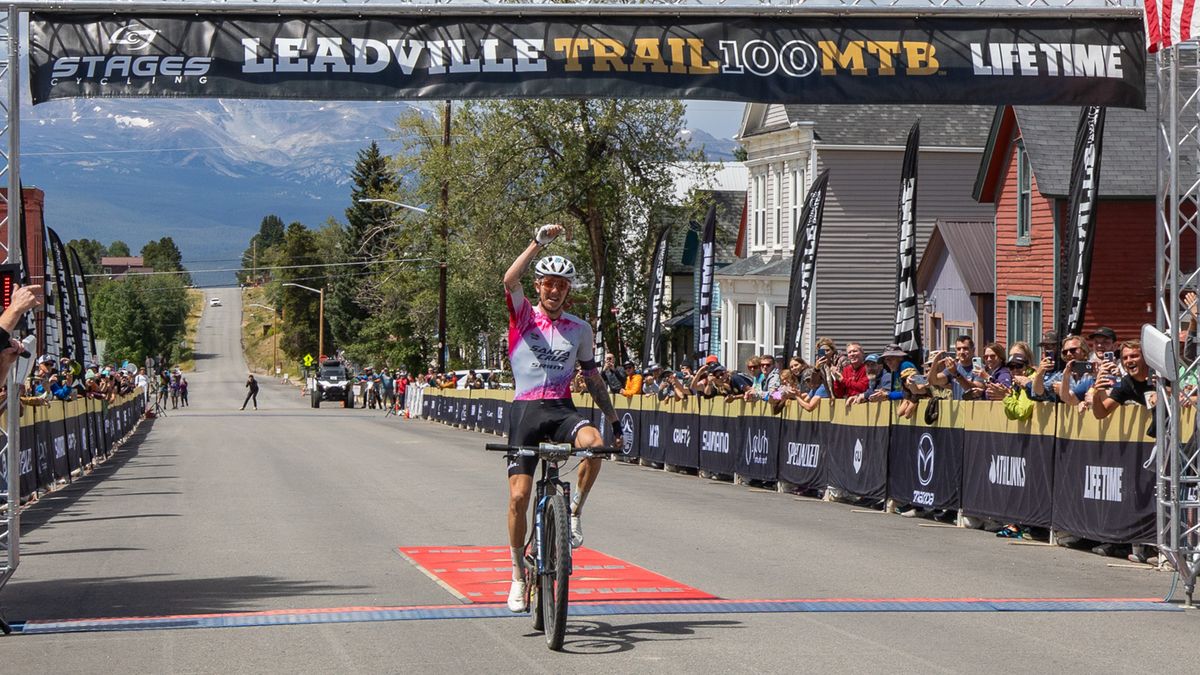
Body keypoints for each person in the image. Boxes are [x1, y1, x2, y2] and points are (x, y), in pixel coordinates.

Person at [501, 223, 622, 613]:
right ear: (539, 286)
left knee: (595, 447)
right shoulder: (523, 317)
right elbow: (509, 278)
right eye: (548, 284)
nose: (555, 291)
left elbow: (592, 377)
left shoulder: (580, 329)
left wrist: (613, 418)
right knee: (519, 496)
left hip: (560, 408)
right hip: (525, 411)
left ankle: (572, 513)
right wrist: (537, 242)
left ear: (569, 290)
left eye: (562, 286)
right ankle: (519, 574)